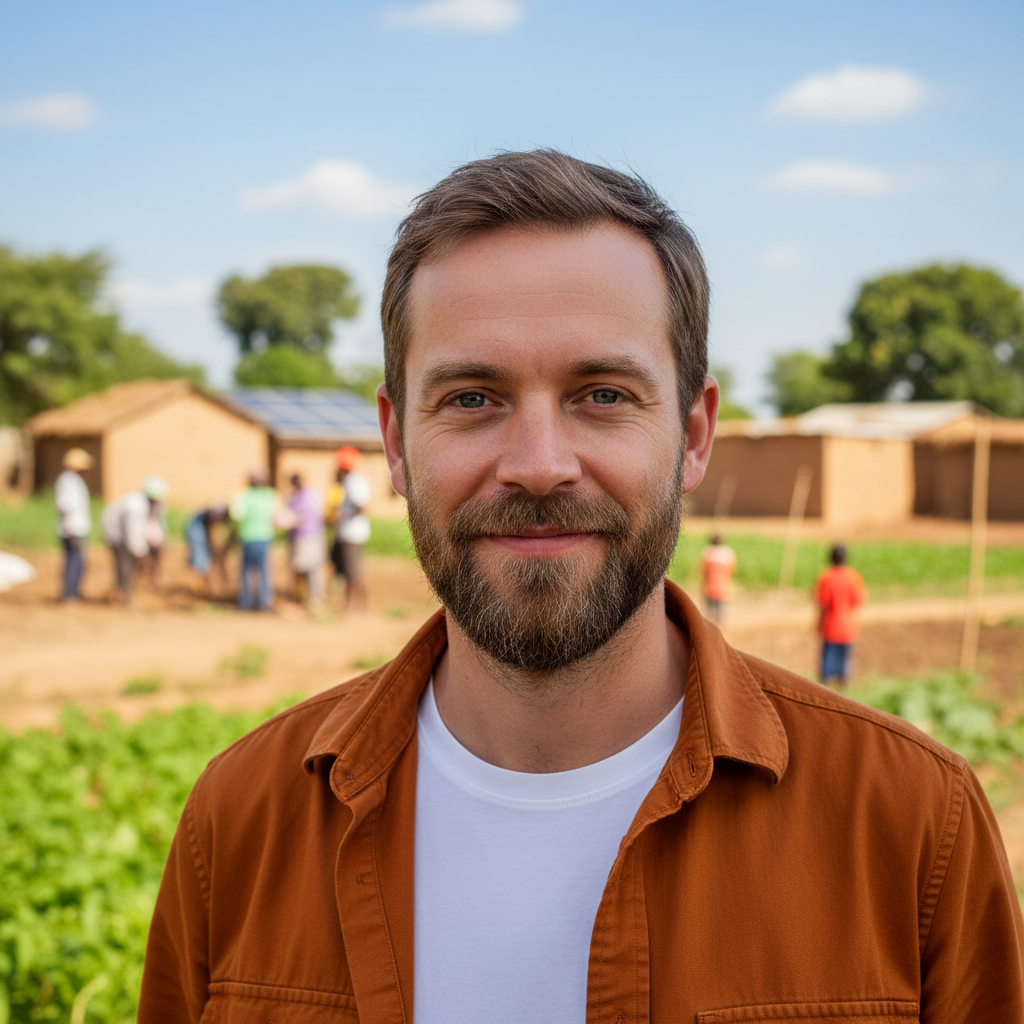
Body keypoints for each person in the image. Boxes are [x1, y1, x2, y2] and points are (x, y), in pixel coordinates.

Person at [141, 151, 1023, 1022]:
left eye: (601, 395)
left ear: (693, 434)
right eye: (472, 399)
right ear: (396, 442)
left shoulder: (912, 828)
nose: (538, 467)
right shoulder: (240, 826)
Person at [101, 475, 167, 605]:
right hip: (117, 534)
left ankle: (123, 592)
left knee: (134, 563)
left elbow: (156, 527)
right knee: (126, 564)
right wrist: (143, 557)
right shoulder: (135, 507)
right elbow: (133, 536)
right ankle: (124, 596)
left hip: (130, 534)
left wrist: (156, 547)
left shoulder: (154, 505)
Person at [814, 543, 867, 688]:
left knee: (827, 667)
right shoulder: (853, 577)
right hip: (848, 626)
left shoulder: (826, 577)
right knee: (845, 663)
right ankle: (844, 689)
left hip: (830, 625)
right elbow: (859, 599)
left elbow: (821, 601)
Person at [326, 446, 370, 610]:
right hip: (345, 534)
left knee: (353, 572)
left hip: (353, 534)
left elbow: (362, 506)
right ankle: (354, 606)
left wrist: (342, 516)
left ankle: (353, 607)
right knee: (346, 571)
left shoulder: (354, 481)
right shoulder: (347, 481)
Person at [229, 468, 278, 611]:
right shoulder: (270, 496)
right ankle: (264, 602)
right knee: (264, 571)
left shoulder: (243, 496)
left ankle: (246, 602)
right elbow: (276, 516)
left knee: (246, 571)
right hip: (265, 537)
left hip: (247, 537)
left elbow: (236, 515)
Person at [54, 447, 92, 601]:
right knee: (74, 563)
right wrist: (72, 532)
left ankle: (74, 592)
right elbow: (65, 507)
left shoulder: (74, 480)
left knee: (78, 563)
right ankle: (69, 595)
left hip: (76, 529)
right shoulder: (68, 480)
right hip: (72, 530)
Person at [286, 472, 325, 606]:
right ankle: (300, 598)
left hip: (310, 537)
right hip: (299, 538)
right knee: (299, 569)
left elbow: (318, 515)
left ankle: (315, 599)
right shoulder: (293, 497)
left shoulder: (311, 495)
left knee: (312, 569)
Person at [185, 503, 230, 596]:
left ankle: (205, 586)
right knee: (200, 557)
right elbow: (210, 534)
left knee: (204, 557)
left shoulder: (222, 516)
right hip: (195, 528)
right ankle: (199, 587)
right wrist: (215, 550)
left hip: (197, 526)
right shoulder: (215, 515)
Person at [699, 531, 736, 623]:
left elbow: (703, 570)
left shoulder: (707, 553)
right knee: (720, 612)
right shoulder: (728, 553)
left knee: (710, 612)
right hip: (722, 586)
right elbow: (732, 569)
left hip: (710, 586)